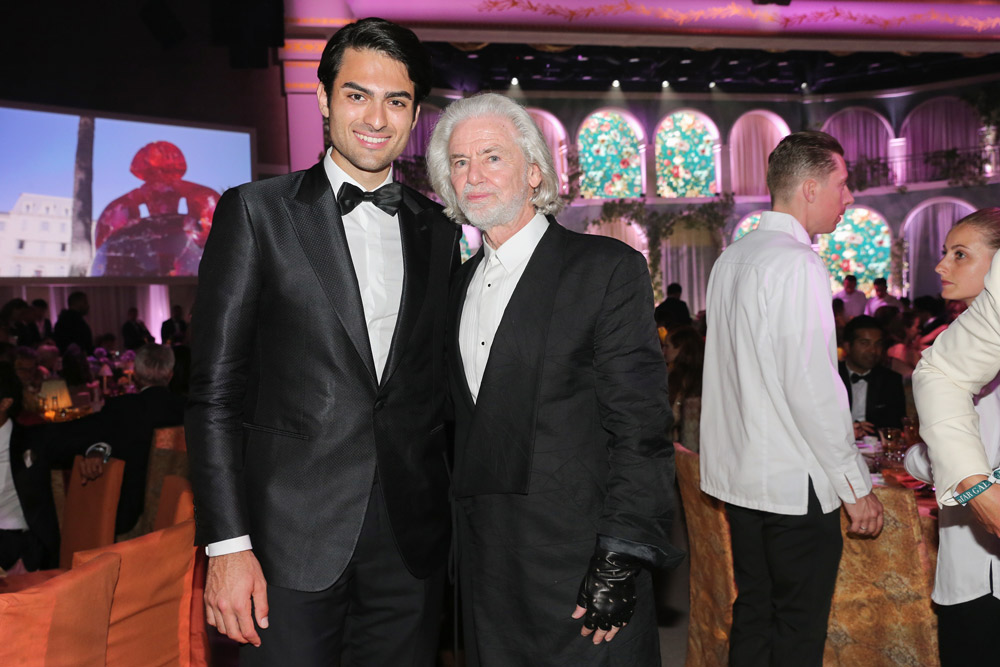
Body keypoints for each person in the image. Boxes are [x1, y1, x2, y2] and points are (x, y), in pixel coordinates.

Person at [185, 18, 461, 666]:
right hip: (285, 547)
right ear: (324, 100)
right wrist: (226, 545)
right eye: (357, 94)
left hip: (409, 547)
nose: (376, 117)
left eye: (396, 101)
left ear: (415, 113)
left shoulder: (439, 230)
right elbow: (213, 394)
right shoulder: (255, 211)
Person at [427, 92, 683, 666]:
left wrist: (620, 555)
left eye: (492, 157)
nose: (473, 176)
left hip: (581, 567)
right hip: (487, 572)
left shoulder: (604, 270)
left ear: (535, 171)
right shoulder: (456, 287)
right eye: (460, 163)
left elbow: (641, 431)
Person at [701, 131, 883, 667]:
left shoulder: (733, 257)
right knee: (799, 629)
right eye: (842, 184)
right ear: (809, 188)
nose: (849, 197)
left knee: (756, 613)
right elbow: (811, 387)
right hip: (793, 482)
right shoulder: (797, 262)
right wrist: (856, 487)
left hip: (745, 478)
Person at [909, 208, 1000, 666]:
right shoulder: (960, 347)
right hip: (970, 554)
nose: (941, 266)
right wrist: (978, 483)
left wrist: (916, 458)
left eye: (959, 255)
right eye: (945, 252)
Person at [50, 344, 184, 535]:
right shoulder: (189, 409)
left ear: (135, 374)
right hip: (180, 510)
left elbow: (78, 435)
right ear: (170, 374)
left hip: (128, 514)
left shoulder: (123, 408)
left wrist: (96, 448)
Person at [0, 363, 60, 573]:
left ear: (5, 403)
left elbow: (83, 435)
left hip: (16, 541)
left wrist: (98, 450)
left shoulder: (32, 438)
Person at [837, 315, 906, 438]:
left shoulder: (891, 380)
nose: (873, 351)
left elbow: (895, 426)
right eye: (865, 343)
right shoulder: (833, 377)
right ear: (847, 346)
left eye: (878, 344)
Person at [663, 326, 704, 451]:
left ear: (680, 348)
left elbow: (672, 415)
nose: (663, 350)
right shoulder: (703, 376)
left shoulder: (677, 380)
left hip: (682, 451)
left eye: (667, 346)